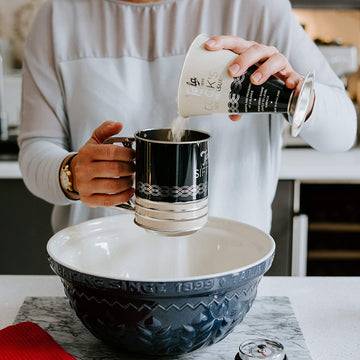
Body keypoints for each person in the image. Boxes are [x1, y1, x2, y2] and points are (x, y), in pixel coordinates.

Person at [18, 0, 357, 234]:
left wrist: (296, 92)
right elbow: (37, 146)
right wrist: (71, 174)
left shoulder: (256, 7)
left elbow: (343, 131)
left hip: (227, 269)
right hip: (100, 271)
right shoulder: (57, 17)